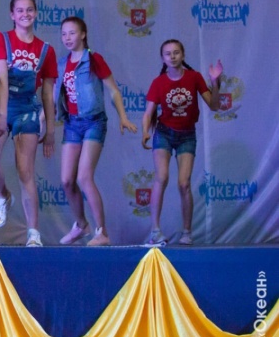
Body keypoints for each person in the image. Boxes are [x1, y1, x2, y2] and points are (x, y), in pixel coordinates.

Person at [0, 0, 57, 247]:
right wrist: (2, 116)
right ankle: (3, 196)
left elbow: (47, 93)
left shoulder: (46, 50)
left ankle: (33, 233)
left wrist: (51, 130)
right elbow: (2, 79)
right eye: (20, 10)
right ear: (12, 15)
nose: (26, 14)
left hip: (26, 109)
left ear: (36, 13)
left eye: (30, 10)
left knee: (26, 172)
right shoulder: (0, 39)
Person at [55, 17, 137, 247]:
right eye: (64, 34)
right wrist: (43, 121)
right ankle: (81, 225)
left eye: (72, 33)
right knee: (67, 180)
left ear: (83, 34)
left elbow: (113, 91)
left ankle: (102, 232)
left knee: (84, 177)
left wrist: (123, 117)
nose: (67, 38)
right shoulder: (61, 64)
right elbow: (53, 98)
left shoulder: (94, 59)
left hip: (94, 122)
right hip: (72, 124)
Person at [141, 39, 222, 246]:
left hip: (187, 135)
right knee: (161, 177)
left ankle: (187, 232)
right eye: (168, 54)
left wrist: (215, 82)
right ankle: (155, 231)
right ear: (163, 59)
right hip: (164, 133)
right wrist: (145, 132)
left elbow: (214, 106)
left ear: (183, 55)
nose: (173, 56)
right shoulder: (158, 82)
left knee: (184, 183)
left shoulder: (194, 77)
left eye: (176, 52)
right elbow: (148, 113)